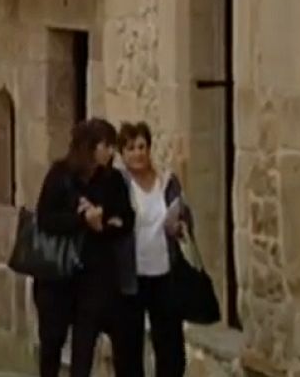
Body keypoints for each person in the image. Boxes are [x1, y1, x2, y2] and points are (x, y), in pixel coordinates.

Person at [32, 118, 134, 377]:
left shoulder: (112, 180)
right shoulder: (60, 175)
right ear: (91, 147)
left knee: (85, 346)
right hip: (58, 275)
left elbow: (125, 219)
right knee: (52, 343)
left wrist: (103, 225)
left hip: (94, 275)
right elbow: (45, 219)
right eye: (106, 145)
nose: (110, 152)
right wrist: (81, 220)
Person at [114, 122, 192, 377]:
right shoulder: (118, 185)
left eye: (141, 147)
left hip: (164, 273)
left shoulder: (167, 182)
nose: (137, 153)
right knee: (129, 349)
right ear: (122, 154)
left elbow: (185, 217)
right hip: (131, 277)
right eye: (130, 148)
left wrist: (180, 225)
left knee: (170, 348)